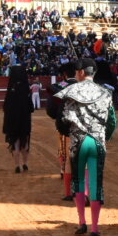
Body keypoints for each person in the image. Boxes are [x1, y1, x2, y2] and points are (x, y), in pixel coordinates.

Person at [56, 58, 117, 236]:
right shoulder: (106, 93)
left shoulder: (71, 91)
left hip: (78, 142)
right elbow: (112, 121)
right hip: (97, 142)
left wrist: (69, 133)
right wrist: (103, 136)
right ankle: (96, 229)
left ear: (82, 72)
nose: (76, 74)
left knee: (79, 183)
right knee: (96, 184)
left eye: (76, 71)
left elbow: (62, 119)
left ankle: (82, 222)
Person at [46, 62, 79, 199]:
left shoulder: (60, 87)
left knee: (67, 159)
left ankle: (68, 192)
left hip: (66, 127)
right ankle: (83, 192)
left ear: (65, 74)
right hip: (84, 127)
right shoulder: (84, 86)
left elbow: (51, 110)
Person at [2, 65, 33, 173]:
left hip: (12, 121)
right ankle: (25, 163)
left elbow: (5, 107)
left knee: (15, 143)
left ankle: (17, 165)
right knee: (25, 142)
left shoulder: (11, 88)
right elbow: (31, 108)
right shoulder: (25, 89)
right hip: (24, 121)